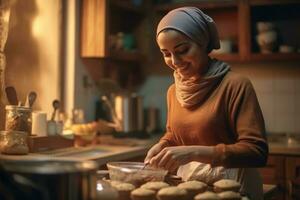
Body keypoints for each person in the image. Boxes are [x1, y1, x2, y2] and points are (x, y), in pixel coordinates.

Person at [144, 7, 268, 200]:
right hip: (190, 184)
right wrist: (162, 145)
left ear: (202, 42)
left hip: (234, 186)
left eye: (182, 50)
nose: (175, 61)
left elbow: (256, 151)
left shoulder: (235, 85)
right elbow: (175, 134)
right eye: (166, 53)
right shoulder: (173, 91)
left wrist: (192, 152)